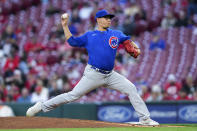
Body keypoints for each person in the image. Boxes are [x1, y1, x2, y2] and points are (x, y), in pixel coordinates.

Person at [26, 9, 159, 126]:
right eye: (106, 18)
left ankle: (145, 119)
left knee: (131, 88)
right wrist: (65, 26)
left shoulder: (116, 34)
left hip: (110, 75)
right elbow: (72, 41)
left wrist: (135, 47)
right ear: (98, 20)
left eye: (110, 18)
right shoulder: (90, 35)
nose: (109, 20)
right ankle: (42, 106)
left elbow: (127, 41)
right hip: (93, 74)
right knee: (72, 95)